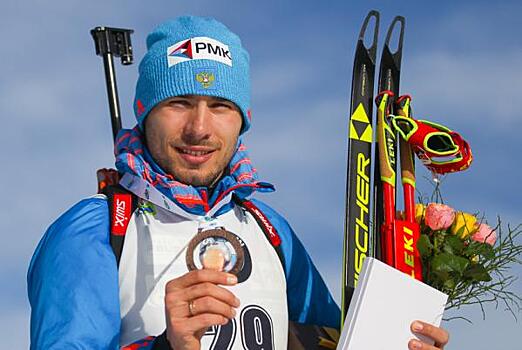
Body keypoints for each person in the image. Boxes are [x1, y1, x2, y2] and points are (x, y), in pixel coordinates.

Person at [27, 16, 449, 350]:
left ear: (242, 120)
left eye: (220, 106)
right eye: (178, 103)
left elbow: (322, 339)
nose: (199, 128)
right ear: (145, 112)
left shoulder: (269, 229)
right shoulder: (97, 228)